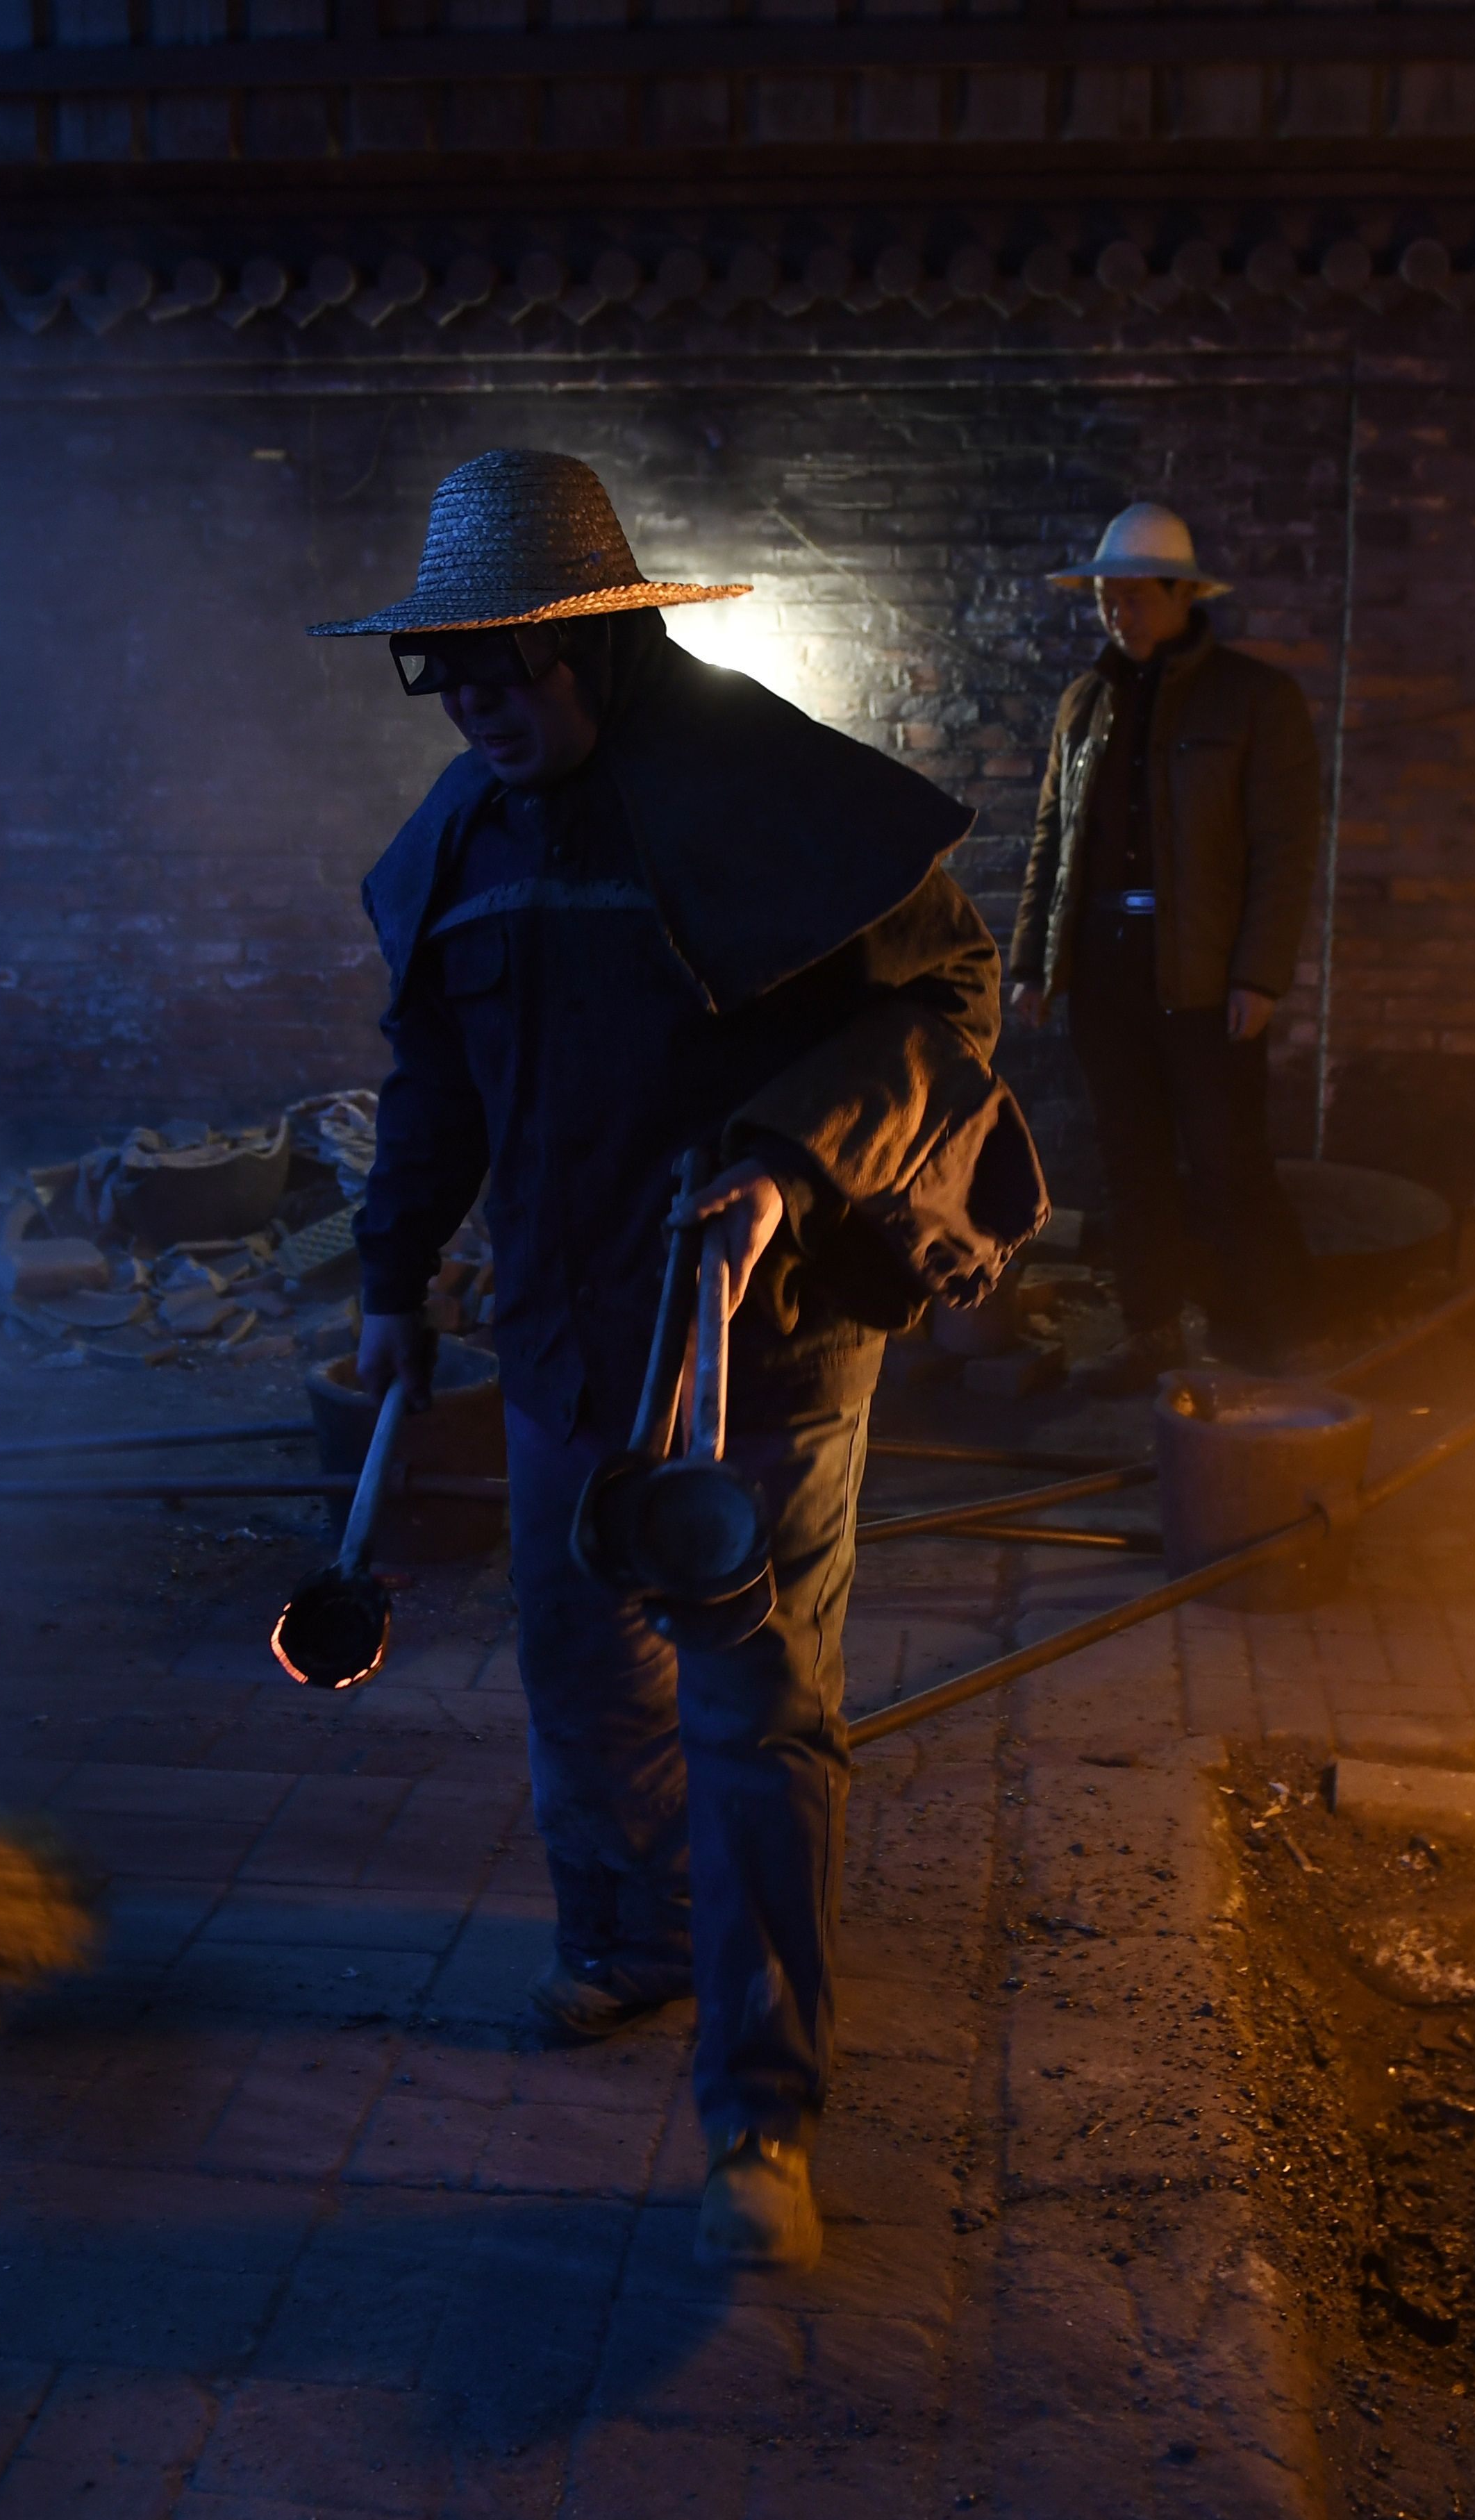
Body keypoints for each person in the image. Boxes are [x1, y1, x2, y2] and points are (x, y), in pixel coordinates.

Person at [318, 451, 1040, 2270]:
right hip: (566, 1334)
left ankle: (762, 2113)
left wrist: (793, 1164)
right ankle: (628, 1944)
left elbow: (951, 1006)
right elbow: (434, 1079)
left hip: (766, 1349)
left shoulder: (761, 796)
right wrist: (393, 1270)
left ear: (607, 651)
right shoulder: (468, 846)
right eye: (442, 671)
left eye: (504, 668)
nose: (473, 705)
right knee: (581, 1666)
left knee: (750, 1713)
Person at [1006, 501, 1322, 1390]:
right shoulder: (1085, 704)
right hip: (1108, 966)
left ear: (1184, 594)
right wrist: (1033, 963)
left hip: (1204, 970)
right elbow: (1052, 845)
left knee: (1228, 1158)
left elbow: (1284, 849)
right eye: (1109, 594)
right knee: (1130, 1157)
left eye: (1136, 594)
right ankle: (1152, 1328)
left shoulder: (1254, 700)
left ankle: (1276, 1325)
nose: (1118, 610)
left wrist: (1258, 973)